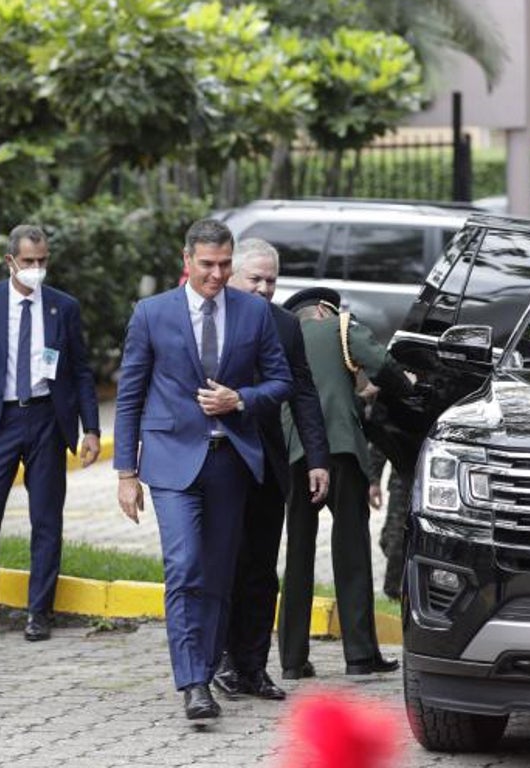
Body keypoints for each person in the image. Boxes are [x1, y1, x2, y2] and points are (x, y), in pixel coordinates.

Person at [114, 218, 293, 721]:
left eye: (224, 264)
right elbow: (129, 395)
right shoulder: (151, 314)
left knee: (217, 576)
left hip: (230, 461)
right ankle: (193, 682)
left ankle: (208, 666)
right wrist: (126, 472)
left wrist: (241, 399)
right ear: (187, 260)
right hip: (172, 462)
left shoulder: (253, 314)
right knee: (185, 565)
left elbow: (280, 382)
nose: (217, 275)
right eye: (208, 265)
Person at [0, 224, 101, 643]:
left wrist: (91, 429)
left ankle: (39, 612)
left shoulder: (63, 307)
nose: (36, 268)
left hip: (48, 420)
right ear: (10, 261)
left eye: (42, 261)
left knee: (46, 519)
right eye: (29, 261)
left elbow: (81, 371)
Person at [212, 238, 329, 703]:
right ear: (233, 276)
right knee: (223, 564)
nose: (263, 288)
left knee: (261, 569)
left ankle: (254, 666)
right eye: (254, 279)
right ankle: (219, 658)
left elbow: (304, 393)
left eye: (271, 280)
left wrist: (317, 459)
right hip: (217, 459)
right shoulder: (212, 321)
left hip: (267, 463)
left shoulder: (284, 324)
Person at [277, 287, 412, 680]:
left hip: (294, 453)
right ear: (323, 309)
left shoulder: (284, 337)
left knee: (298, 554)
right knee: (351, 549)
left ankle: (291, 659)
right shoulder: (340, 326)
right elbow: (382, 364)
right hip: (339, 450)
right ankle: (359, 655)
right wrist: (406, 387)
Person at [367, 443, 411, 601]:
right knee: (396, 539)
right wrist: (373, 481)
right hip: (402, 482)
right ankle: (393, 592)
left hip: (434, 483)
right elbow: (383, 443)